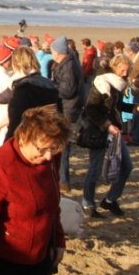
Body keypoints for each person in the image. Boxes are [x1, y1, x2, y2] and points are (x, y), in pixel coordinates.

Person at [0, 105, 70, 275]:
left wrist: (58, 239)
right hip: (3, 263)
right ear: (24, 137)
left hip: (39, 261)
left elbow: (52, 203)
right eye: (43, 149)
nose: (48, 156)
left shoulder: (51, 157)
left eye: (53, 149)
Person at [81, 54, 139, 219]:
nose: (125, 72)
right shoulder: (102, 82)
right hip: (99, 132)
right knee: (95, 169)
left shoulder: (122, 85)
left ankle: (110, 199)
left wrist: (137, 108)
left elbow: (121, 107)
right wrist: (107, 125)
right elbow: (91, 109)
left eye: (128, 70)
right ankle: (88, 204)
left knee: (127, 166)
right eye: (122, 69)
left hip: (115, 131)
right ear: (115, 67)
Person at [5, 46, 61, 140]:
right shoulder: (50, 85)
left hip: (28, 138)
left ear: (16, 64)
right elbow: (58, 114)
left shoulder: (23, 88)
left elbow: (16, 121)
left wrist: (8, 142)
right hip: (48, 137)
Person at [51, 36, 83, 193]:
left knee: (63, 145)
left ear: (58, 52)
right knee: (62, 144)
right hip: (68, 108)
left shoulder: (69, 66)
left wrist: (51, 87)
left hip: (68, 110)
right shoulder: (67, 63)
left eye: (52, 50)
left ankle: (63, 181)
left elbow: (68, 90)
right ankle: (62, 178)